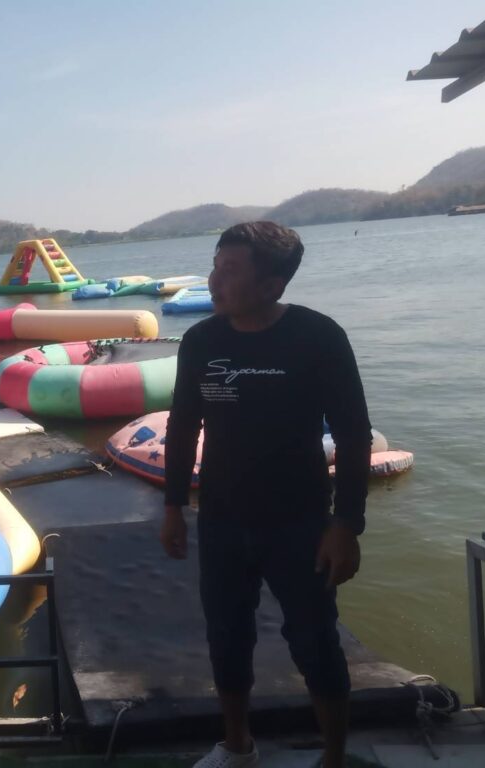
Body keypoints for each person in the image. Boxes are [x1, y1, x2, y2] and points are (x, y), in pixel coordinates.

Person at [161, 222, 371, 768]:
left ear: (273, 285)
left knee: (315, 641)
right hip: (222, 519)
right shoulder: (201, 341)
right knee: (227, 637)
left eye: (230, 270)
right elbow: (182, 427)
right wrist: (173, 507)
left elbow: (353, 435)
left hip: (300, 523)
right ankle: (237, 746)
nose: (214, 280)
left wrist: (346, 525)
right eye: (215, 265)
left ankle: (334, 757)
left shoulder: (318, 336)